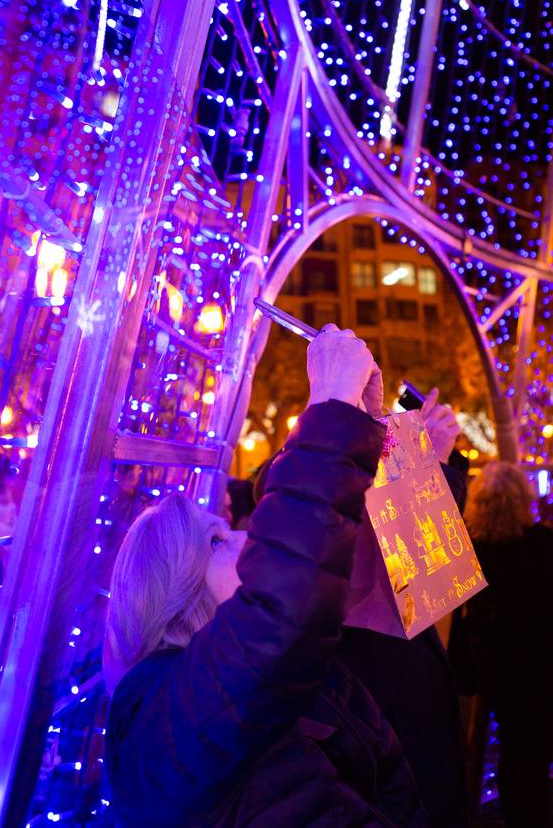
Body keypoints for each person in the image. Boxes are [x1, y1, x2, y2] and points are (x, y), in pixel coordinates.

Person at [104, 326, 429, 827]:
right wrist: (331, 410)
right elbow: (283, 603)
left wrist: (374, 436)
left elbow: (385, 557)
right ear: (174, 594)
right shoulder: (158, 721)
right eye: (215, 540)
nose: (242, 536)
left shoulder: (290, 674)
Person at [340, 389, 470, 828]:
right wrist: (421, 462)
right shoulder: (335, 473)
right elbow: (426, 576)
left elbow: (433, 576)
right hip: (387, 688)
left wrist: (429, 462)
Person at [450, 462, 553, 828]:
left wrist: (462, 669)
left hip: (495, 663)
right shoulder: (543, 543)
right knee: (535, 750)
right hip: (541, 663)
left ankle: (507, 811)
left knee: (507, 745)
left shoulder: (473, 550)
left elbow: (464, 614)